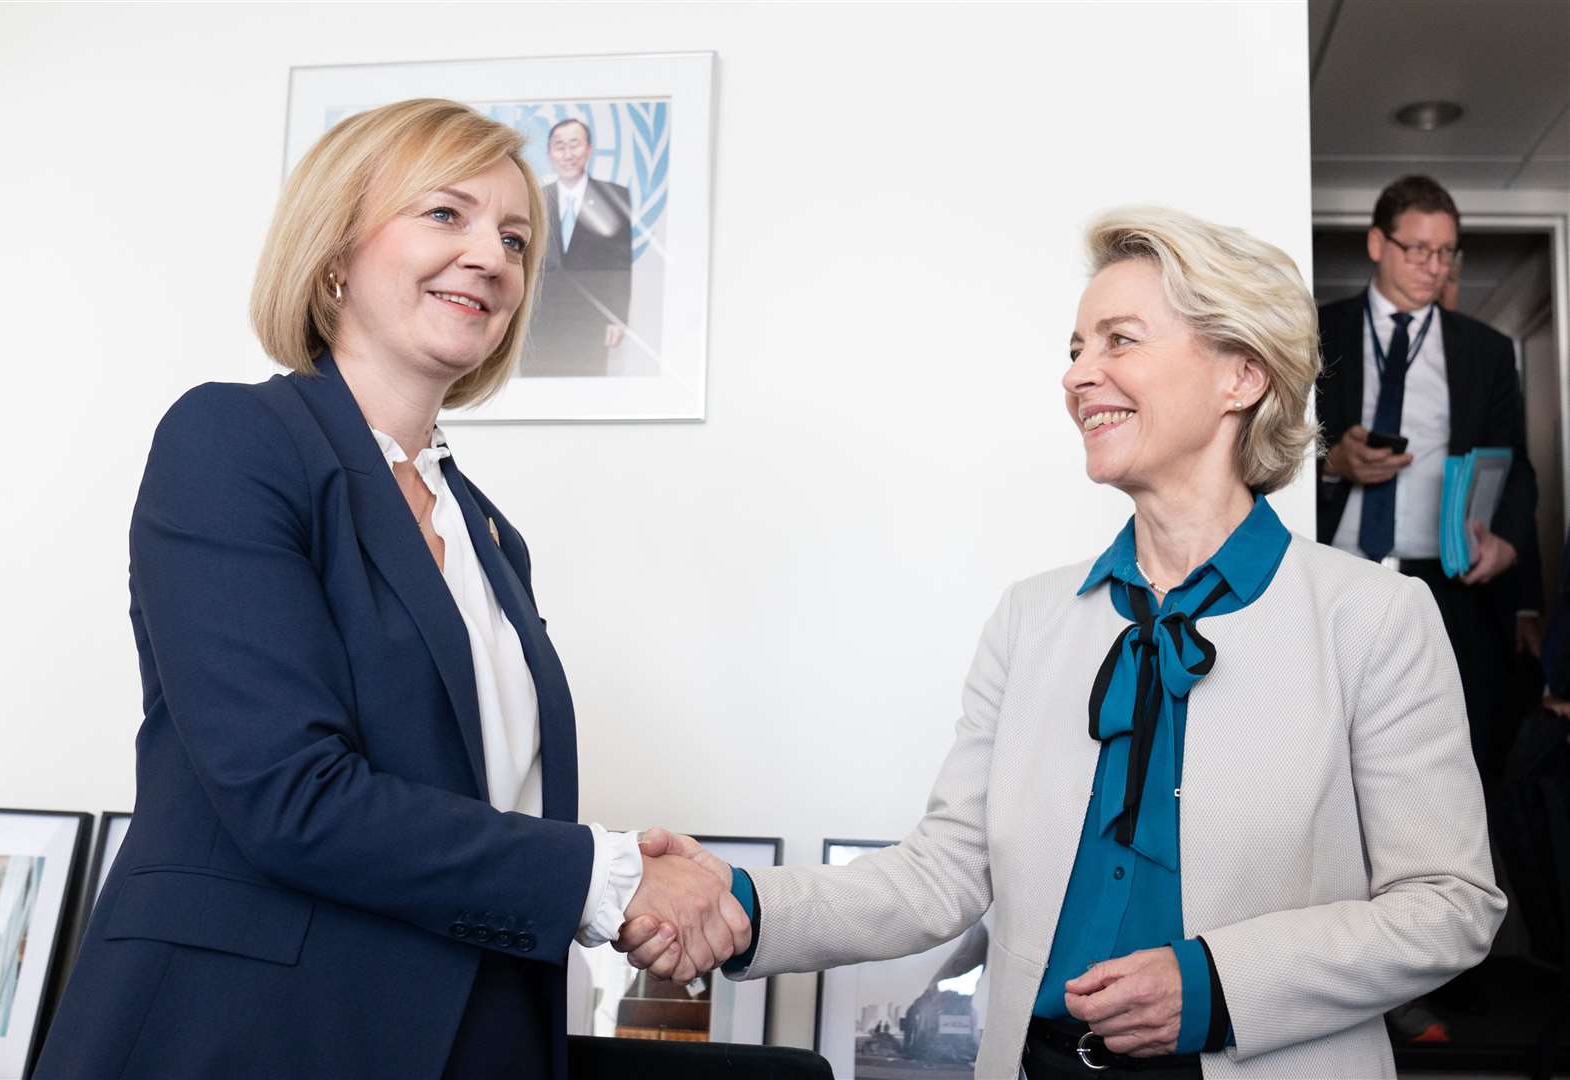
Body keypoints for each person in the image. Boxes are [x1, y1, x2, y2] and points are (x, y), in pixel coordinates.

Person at [619, 207, 1505, 1078]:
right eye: (1076, 350)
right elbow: (942, 875)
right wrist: (740, 904)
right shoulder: (1030, 619)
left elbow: (1449, 906)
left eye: (1119, 340)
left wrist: (1216, 985)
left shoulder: (1375, 616)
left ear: (1241, 375)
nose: (1081, 375)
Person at [33, 98, 746, 1080]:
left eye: (516, 238)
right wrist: (610, 876)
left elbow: (480, 811)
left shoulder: (488, 532)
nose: (492, 257)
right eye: (446, 215)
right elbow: (294, 796)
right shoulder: (233, 442)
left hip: (467, 1038)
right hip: (242, 1037)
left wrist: (623, 876)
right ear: (334, 255)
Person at [1314, 175, 1537, 775]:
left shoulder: (1486, 351)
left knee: (1448, 758)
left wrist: (1508, 545)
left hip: (1449, 587)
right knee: (1328, 750)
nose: (1434, 267)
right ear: (1376, 244)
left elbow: (1517, 467)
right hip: (1335, 578)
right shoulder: (1313, 332)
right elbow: (1263, 447)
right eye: (1418, 249)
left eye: (1446, 253)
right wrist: (1332, 465)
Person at [520, 117, 634, 377]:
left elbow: (619, 262)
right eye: (560, 146)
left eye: (575, 145)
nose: (567, 154)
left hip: (589, 321)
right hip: (539, 319)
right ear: (549, 153)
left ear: (589, 149)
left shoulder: (614, 197)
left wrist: (616, 317)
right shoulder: (534, 198)